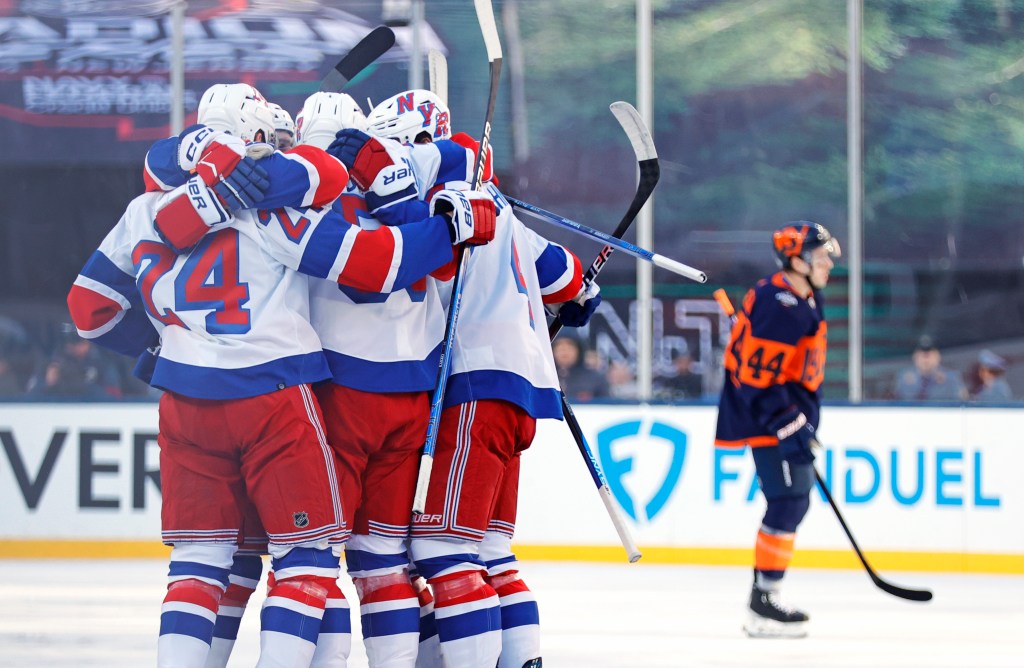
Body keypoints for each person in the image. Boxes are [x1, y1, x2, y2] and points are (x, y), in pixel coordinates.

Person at [70, 83, 494, 668]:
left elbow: (89, 309)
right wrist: (449, 230)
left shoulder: (142, 212)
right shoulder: (272, 211)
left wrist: (160, 345)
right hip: (276, 400)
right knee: (313, 559)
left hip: (184, 404)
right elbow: (379, 263)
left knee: (199, 568)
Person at [329, 91, 598, 667]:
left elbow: (428, 256)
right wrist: (582, 296)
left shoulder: (442, 198)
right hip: (524, 393)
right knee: (490, 549)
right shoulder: (497, 208)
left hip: (472, 385)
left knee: (442, 549)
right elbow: (571, 281)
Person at [714, 222, 841, 638]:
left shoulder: (803, 297)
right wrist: (787, 423)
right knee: (787, 502)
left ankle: (764, 598)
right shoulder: (779, 302)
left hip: (788, 414)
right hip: (769, 416)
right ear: (796, 260)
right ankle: (764, 602)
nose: (828, 264)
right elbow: (755, 376)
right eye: (820, 257)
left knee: (793, 502)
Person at [26, 323, 122, 400]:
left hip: (92, 412)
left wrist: (84, 384)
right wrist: (48, 384)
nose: (72, 346)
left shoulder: (102, 362)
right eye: (68, 341)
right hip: (57, 412)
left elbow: (115, 396)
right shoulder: (53, 363)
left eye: (77, 341)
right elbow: (31, 396)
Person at [892, 335, 966, 401]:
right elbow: (894, 405)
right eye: (922, 355)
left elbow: (964, 404)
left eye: (929, 355)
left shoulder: (951, 378)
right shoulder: (904, 378)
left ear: (938, 357)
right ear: (915, 357)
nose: (926, 360)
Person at [551, 336, 609, 402]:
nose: (565, 351)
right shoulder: (545, 377)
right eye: (560, 346)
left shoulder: (595, 378)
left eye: (570, 345)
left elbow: (605, 406)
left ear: (579, 350)